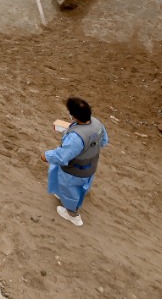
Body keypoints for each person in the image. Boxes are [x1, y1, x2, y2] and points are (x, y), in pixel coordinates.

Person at [45, 96, 110, 227]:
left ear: (73, 115)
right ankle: (72, 196)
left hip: (73, 170)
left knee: (69, 189)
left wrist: (46, 156)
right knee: (82, 186)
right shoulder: (97, 124)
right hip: (90, 166)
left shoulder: (76, 138)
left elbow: (62, 156)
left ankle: (73, 215)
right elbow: (104, 141)